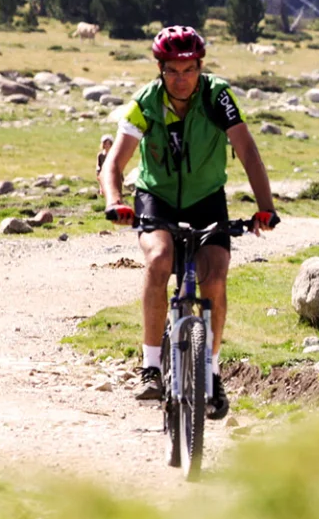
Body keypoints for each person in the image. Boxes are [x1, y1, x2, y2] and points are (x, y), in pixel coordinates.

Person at [99, 25, 279, 419]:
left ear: (200, 67)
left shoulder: (218, 96)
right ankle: (150, 367)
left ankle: (212, 374)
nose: (182, 80)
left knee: (214, 278)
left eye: (189, 70)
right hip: (156, 197)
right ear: (160, 70)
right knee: (159, 259)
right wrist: (116, 202)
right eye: (173, 71)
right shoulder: (145, 103)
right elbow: (116, 162)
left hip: (206, 200)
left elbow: (247, 149)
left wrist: (265, 207)